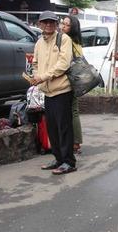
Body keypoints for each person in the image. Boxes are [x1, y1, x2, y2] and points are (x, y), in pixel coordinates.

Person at [32, 11, 76, 175]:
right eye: (45, 22)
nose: (49, 25)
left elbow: (63, 64)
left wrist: (43, 76)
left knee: (64, 127)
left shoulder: (64, 39)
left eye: (52, 22)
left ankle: (69, 161)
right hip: (47, 91)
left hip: (62, 89)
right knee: (52, 128)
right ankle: (58, 158)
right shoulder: (39, 43)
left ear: (56, 24)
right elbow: (35, 63)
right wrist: (36, 75)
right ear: (40, 24)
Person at [60, 15, 83, 154]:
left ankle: (74, 143)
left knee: (72, 111)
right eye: (62, 23)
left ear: (72, 27)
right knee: (73, 110)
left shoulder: (67, 40)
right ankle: (76, 142)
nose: (63, 26)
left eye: (66, 25)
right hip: (75, 79)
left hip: (69, 79)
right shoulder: (77, 41)